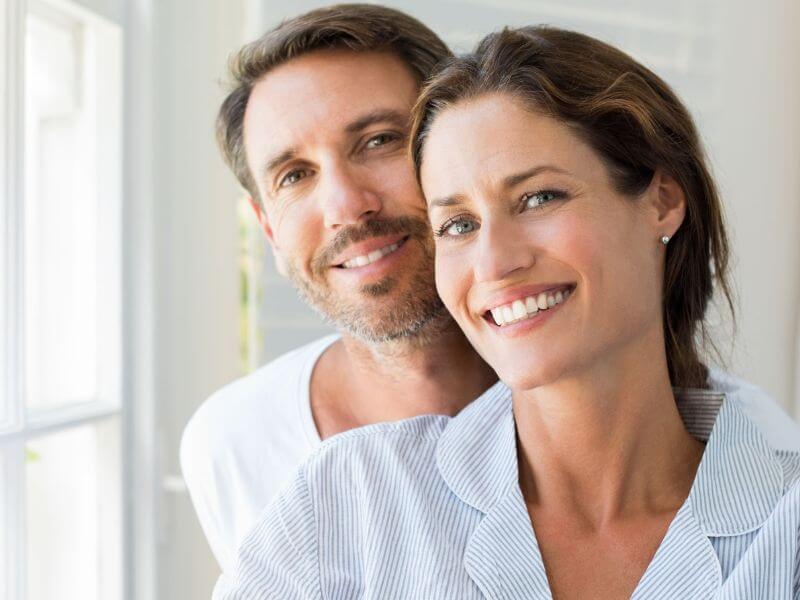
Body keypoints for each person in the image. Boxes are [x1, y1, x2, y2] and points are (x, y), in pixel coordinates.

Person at [214, 25, 800, 599]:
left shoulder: (784, 521)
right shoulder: (346, 497)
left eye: (540, 197)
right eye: (458, 225)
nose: (495, 262)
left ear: (662, 202)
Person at [180, 4, 497, 577]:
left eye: (378, 140)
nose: (347, 205)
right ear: (270, 229)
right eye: (295, 176)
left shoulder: (622, 404)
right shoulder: (233, 444)